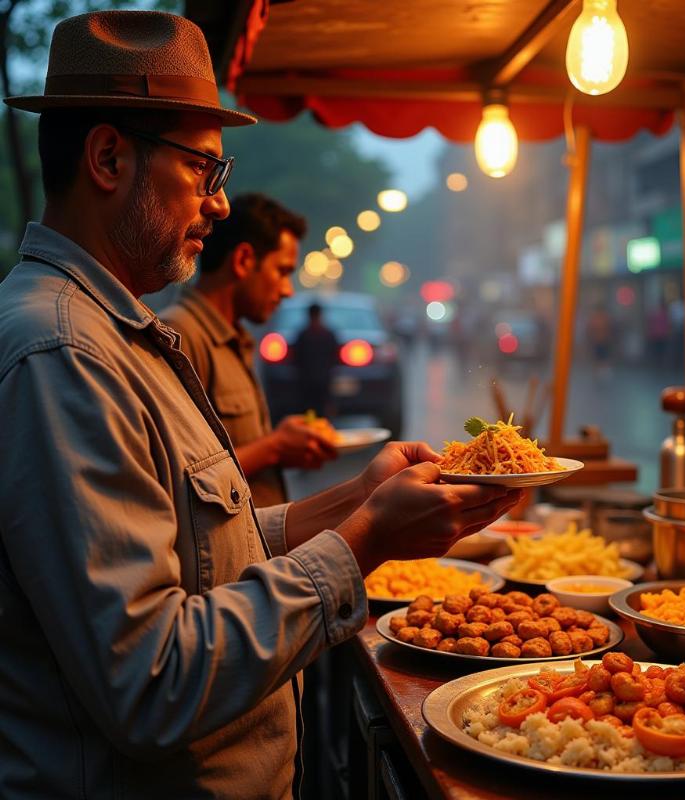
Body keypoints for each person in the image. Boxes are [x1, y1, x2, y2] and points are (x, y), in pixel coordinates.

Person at [0, 12, 519, 799]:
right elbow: (151, 678)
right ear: (108, 158)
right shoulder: (64, 353)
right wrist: (367, 540)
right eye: (204, 171)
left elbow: (205, 552)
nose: (218, 204)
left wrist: (359, 497)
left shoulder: (118, 330)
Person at [161, 194, 335, 507]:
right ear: (242, 261)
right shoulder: (180, 336)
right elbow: (177, 480)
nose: (287, 290)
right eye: (282, 271)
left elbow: (227, 456)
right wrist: (275, 447)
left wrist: (284, 449)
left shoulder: (236, 338)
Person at [293, 301, 339, 418]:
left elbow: (296, 358)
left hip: (307, 381)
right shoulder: (328, 334)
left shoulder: (303, 335)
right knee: (322, 411)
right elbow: (335, 357)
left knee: (309, 412)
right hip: (322, 380)